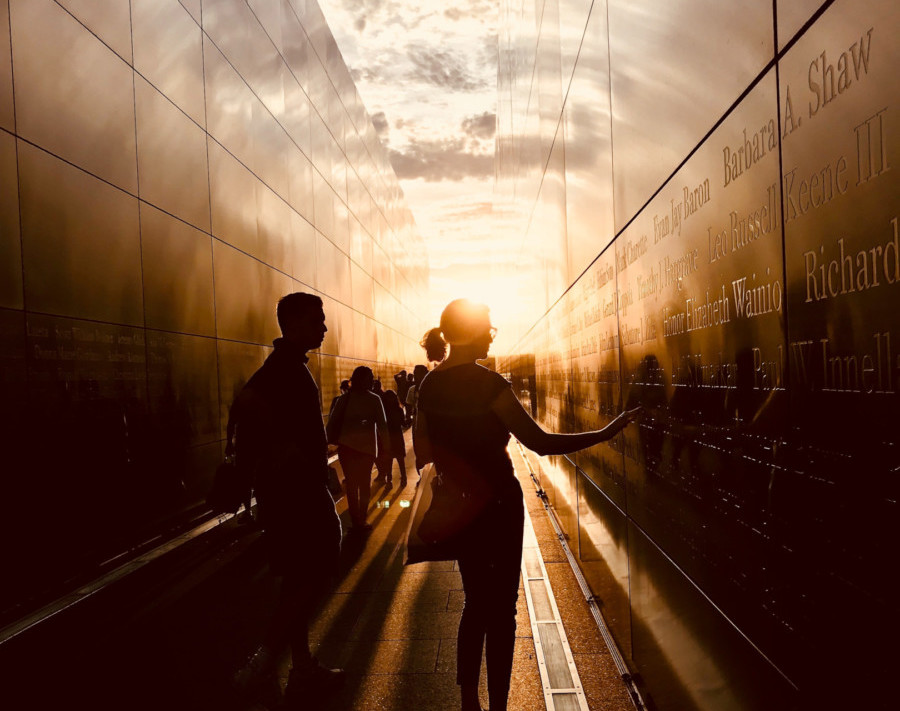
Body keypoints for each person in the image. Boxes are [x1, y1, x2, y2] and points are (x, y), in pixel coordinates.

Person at [413, 299, 641, 711]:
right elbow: (539, 442)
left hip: (459, 507)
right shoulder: (489, 384)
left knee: (473, 603)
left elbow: (422, 451)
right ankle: (498, 705)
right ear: (467, 332)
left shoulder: (430, 385)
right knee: (502, 610)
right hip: (498, 505)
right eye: (485, 326)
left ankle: (469, 702)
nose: (490, 331)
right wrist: (604, 434)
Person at [230, 292, 343, 708]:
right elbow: (284, 438)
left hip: (285, 495)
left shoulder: (279, 369)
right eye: (318, 321)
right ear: (294, 323)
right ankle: (261, 664)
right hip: (297, 497)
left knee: (297, 578)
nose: (325, 328)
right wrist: (313, 472)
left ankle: (302, 667)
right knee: (314, 573)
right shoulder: (287, 372)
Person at [327, 366, 388, 532]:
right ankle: (361, 518)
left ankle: (356, 521)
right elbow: (383, 426)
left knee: (352, 486)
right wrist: (387, 448)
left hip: (347, 449)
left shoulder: (344, 400)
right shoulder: (374, 400)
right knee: (364, 485)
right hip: (367, 450)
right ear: (362, 379)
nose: (371, 380)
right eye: (369, 378)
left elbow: (332, 423)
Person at [375, 389, 407, 488]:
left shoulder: (383, 411)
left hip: (388, 437)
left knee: (388, 460)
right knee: (400, 460)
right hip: (398, 436)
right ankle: (404, 479)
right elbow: (403, 423)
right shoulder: (399, 410)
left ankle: (389, 481)